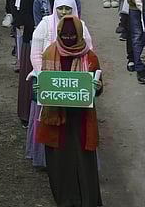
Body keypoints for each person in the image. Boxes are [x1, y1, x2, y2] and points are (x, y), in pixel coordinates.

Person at [35, 15, 102, 207]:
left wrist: (97, 87)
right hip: (57, 119)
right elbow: (45, 85)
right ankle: (65, 200)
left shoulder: (90, 57)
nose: (70, 38)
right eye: (65, 35)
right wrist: (38, 89)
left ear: (80, 35)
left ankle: (87, 200)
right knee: (60, 162)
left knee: (83, 161)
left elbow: (98, 85)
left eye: (73, 35)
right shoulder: (49, 53)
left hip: (81, 119)